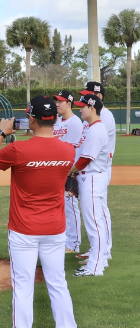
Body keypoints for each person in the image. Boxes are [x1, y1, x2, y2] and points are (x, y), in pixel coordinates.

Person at [0, 95, 76, 328]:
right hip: (55, 228)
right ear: (54, 118)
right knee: (57, 283)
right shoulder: (68, 150)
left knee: (23, 286)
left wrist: (1, 132)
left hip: (24, 228)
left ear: (31, 119)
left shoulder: (19, 150)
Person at [70, 94, 111, 277]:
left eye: (83, 106)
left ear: (92, 108)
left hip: (92, 178)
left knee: (94, 224)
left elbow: (85, 160)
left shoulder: (96, 130)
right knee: (96, 222)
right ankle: (99, 261)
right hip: (90, 178)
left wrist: (68, 172)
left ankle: (95, 268)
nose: (80, 109)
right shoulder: (91, 128)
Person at [77, 81, 114, 262]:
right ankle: (98, 250)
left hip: (98, 168)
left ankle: (104, 251)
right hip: (91, 169)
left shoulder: (103, 116)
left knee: (99, 212)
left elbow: (95, 145)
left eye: (87, 95)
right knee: (95, 212)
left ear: (98, 97)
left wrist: (73, 170)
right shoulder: (91, 119)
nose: (83, 99)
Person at [52, 90, 84, 253]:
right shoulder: (57, 121)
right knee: (61, 207)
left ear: (69, 104)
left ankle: (73, 243)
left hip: (69, 170)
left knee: (70, 207)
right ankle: (64, 241)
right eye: (56, 101)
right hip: (57, 169)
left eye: (60, 101)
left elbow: (71, 150)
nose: (57, 104)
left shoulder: (75, 123)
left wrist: (70, 172)